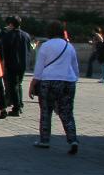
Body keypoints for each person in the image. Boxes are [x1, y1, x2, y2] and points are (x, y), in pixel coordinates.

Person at [27, 21, 80, 154]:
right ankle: (72, 139)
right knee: (67, 112)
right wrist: (74, 79)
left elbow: (39, 67)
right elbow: (75, 67)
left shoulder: (46, 46)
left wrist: (33, 84)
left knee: (46, 111)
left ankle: (44, 140)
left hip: (48, 80)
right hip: (67, 81)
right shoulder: (69, 46)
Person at [0, 16, 32, 116]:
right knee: (19, 84)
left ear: (11, 24)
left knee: (12, 86)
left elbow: (3, 50)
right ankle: (19, 104)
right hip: (23, 63)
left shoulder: (8, 35)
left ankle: (16, 107)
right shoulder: (26, 35)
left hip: (11, 63)